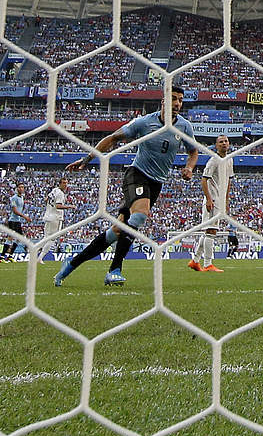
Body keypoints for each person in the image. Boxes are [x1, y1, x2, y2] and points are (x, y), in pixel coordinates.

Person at [55, 86, 199, 286]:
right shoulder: (144, 123)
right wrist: (87, 159)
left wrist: (189, 168)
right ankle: (114, 269)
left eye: (180, 100)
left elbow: (193, 152)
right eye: (173, 99)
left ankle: (70, 264)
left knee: (116, 232)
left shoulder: (184, 127)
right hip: (137, 175)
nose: (177, 103)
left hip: (156, 183)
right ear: (163, 101)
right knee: (140, 215)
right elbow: (112, 138)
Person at [191, 134, 233, 273]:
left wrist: (226, 200)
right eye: (221, 142)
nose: (224, 143)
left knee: (209, 231)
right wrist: (209, 199)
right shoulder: (213, 161)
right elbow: (204, 180)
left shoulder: (229, 160)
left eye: (226, 141)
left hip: (220, 201)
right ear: (216, 146)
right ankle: (208, 264)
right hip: (213, 200)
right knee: (211, 231)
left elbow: (228, 181)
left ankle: (195, 261)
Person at [38, 178, 74, 262]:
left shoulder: (54, 190)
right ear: (60, 184)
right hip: (55, 218)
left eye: (66, 183)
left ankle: (35, 252)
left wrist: (49, 207)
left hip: (48, 216)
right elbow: (58, 206)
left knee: (46, 237)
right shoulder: (60, 193)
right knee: (52, 239)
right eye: (64, 183)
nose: (65, 185)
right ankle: (40, 256)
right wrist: (70, 206)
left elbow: (46, 199)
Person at [3, 183, 30, 262]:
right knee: (10, 237)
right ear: (17, 188)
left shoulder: (21, 197)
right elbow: (14, 211)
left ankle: (10, 255)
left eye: (23, 187)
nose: (22, 188)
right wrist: (24, 216)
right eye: (20, 187)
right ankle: (2, 256)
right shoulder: (14, 198)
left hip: (18, 221)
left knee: (19, 238)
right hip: (13, 220)